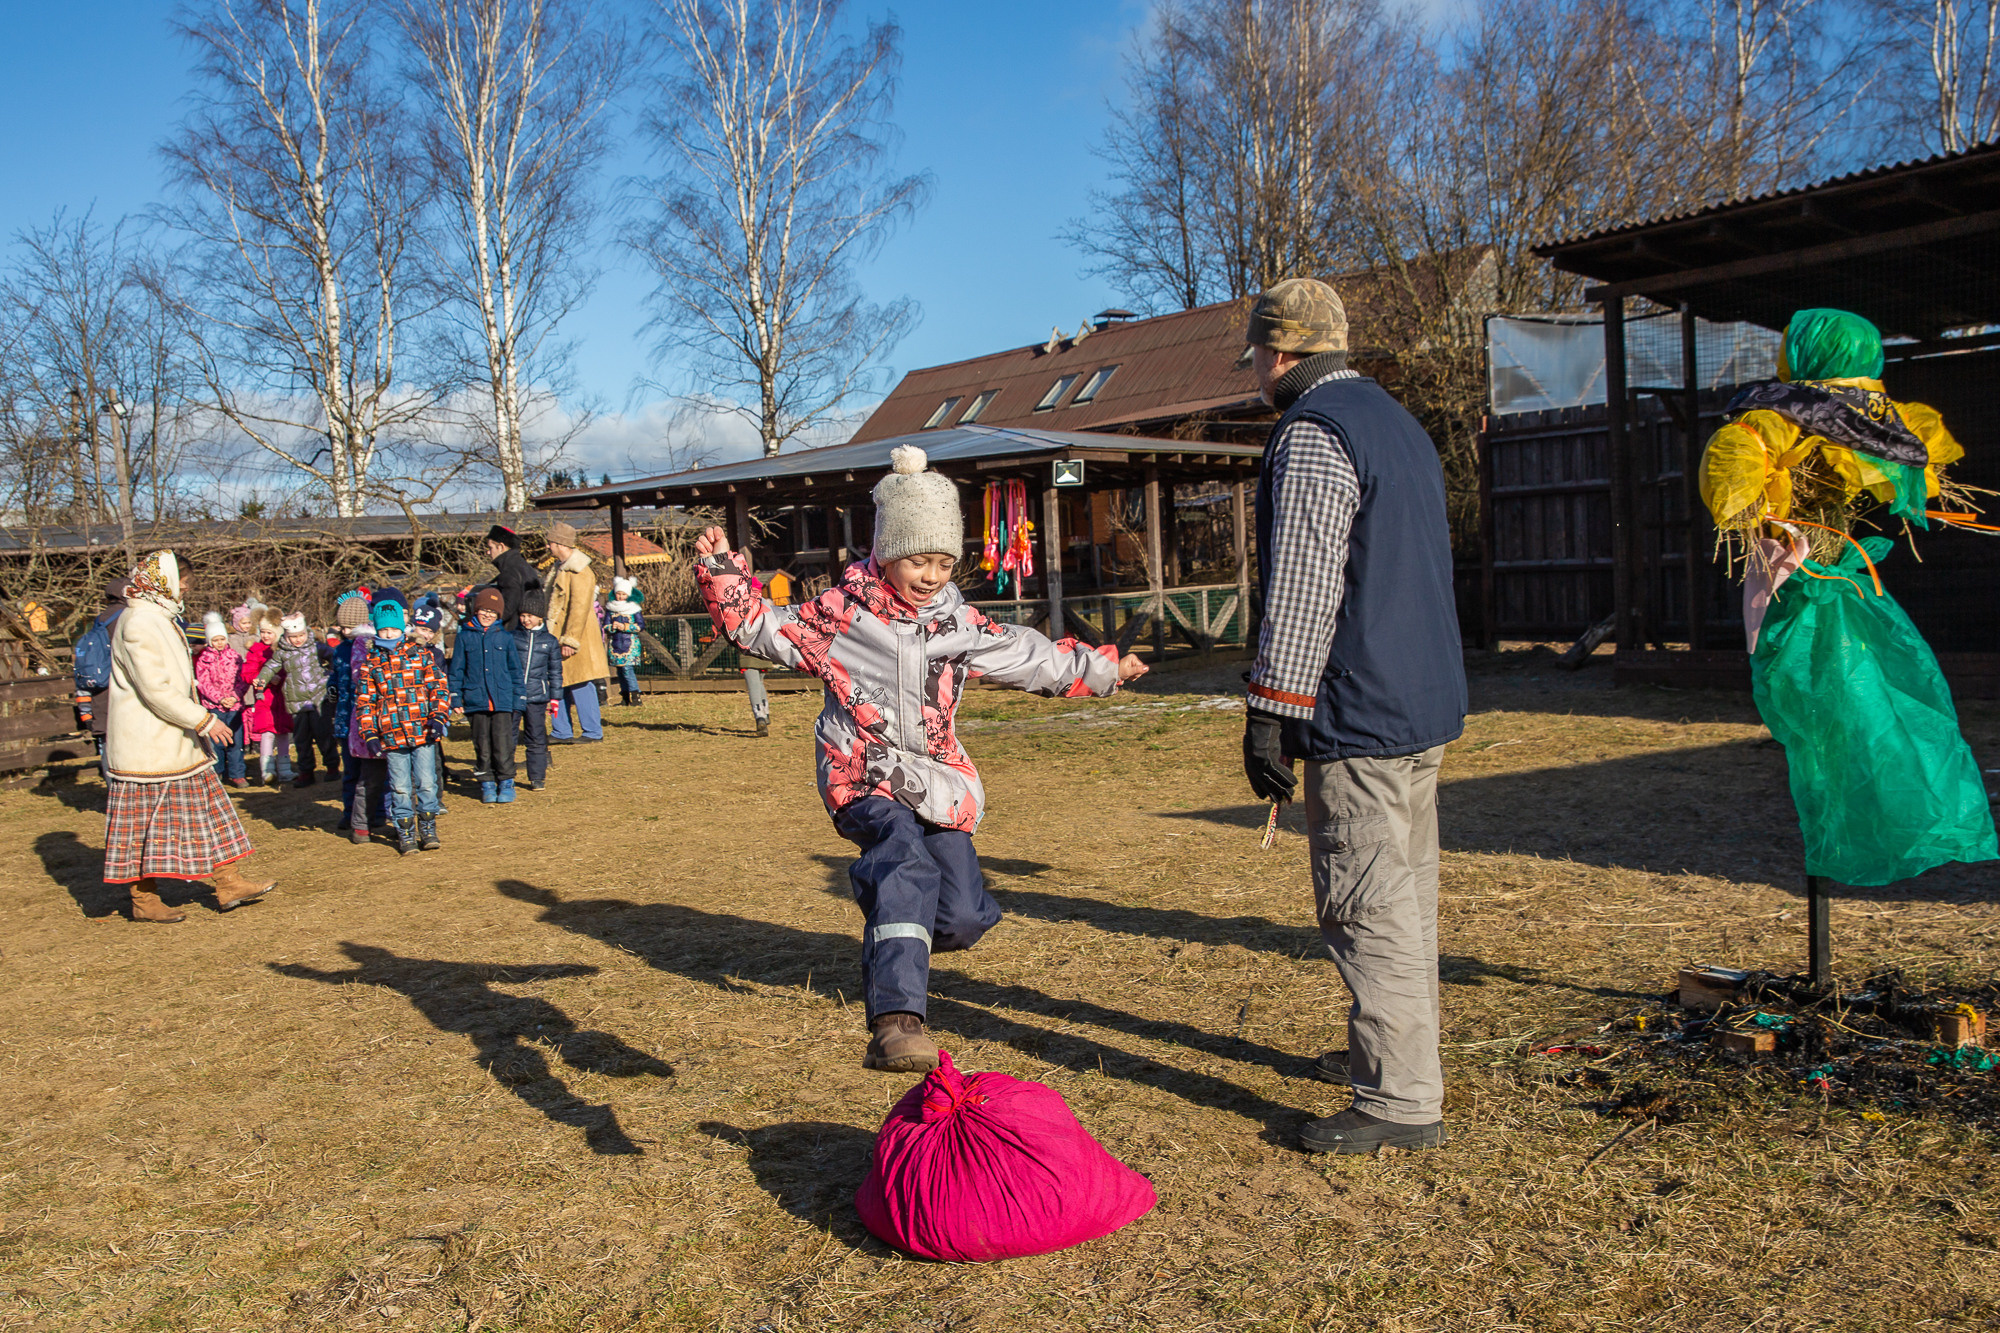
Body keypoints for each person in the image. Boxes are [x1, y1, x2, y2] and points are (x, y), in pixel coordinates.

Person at [696, 445, 1149, 1072]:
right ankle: (897, 1020)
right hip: (863, 771)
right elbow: (762, 628)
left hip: (935, 780)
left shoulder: (957, 622)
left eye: (943, 561)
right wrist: (724, 577)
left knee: (963, 916)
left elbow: (1027, 654)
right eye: (918, 559)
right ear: (886, 553)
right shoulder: (841, 615)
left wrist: (1100, 668)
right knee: (901, 866)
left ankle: (898, 920)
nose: (931, 574)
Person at [1238, 277, 1467, 1156]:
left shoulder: (1311, 434)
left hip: (1360, 706)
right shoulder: (1398, 424)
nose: (1257, 370)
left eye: (1258, 354)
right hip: (1423, 699)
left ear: (1281, 352)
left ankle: (1402, 1099)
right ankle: (1396, 1053)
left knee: (1366, 901)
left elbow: (1305, 586)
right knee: (1406, 894)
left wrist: (1269, 712)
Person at [102, 550, 274, 923]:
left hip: (176, 742)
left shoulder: (159, 618)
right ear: (162, 579)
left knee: (212, 811)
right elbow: (155, 689)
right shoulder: (138, 623)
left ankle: (229, 882)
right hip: (148, 748)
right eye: (182, 581)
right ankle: (144, 900)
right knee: (143, 827)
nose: (184, 588)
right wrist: (204, 720)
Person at [354, 596, 451, 853]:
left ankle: (428, 827)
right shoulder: (371, 663)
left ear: (402, 628)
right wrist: (370, 734)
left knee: (427, 782)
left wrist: (438, 717)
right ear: (377, 630)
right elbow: (365, 701)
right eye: (383, 629)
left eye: (393, 629)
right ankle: (405, 831)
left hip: (424, 731)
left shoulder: (420, 655)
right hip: (391, 734)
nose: (388, 633)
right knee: (399, 786)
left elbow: (438, 688)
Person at [449, 586, 526, 804]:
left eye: (493, 612)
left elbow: (515, 671)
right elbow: (456, 671)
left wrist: (519, 697)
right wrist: (455, 697)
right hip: (476, 701)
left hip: (502, 701)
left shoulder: (506, 638)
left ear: (499, 615)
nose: (488, 615)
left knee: (503, 745)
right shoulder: (465, 637)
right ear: (476, 611)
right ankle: (487, 783)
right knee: (482, 746)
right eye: (484, 611)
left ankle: (506, 782)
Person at [331, 590, 390, 844]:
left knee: (373, 773)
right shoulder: (342, 649)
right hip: (348, 719)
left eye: (350, 626)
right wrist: (332, 687)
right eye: (342, 627)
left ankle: (376, 815)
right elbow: (340, 676)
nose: (346, 631)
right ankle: (351, 815)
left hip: (365, 720)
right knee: (354, 772)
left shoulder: (366, 645)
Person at [544, 520, 609, 745]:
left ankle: (592, 731)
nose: (547, 548)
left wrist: (570, 639)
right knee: (556, 681)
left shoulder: (580, 571)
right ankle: (561, 730)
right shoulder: (561, 568)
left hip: (575, 637)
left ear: (559, 543)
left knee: (581, 682)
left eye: (550, 543)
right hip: (558, 635)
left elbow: (579, 608)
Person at [258, 612, 337, 787]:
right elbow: (270, 666)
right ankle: (306, 771)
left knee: (324, 735)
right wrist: (262, 678)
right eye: (293, 637)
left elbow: (334, 656)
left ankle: (332, 766)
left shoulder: (317, 648)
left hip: (318, 700)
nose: (298, 640)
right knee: (302, 740)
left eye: (301, 635)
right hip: (296, 703)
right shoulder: (282, 653)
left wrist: (331, 674)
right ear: (286, 636)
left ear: (306, 632)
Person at [72, 577, 129, 779]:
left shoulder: (100, 620)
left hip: (100, 692)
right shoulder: (128, 617)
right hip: (122, 690)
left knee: (107, 746)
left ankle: (112, 792)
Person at [514, 589, 562, 792]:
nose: (526, 620)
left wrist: (555, 699)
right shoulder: (512, 638)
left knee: (536, 737)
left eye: (530, 616)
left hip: (537, 696)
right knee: (508, 736)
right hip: (514, 695)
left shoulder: (549, 641)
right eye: (523, 615)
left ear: (539, 616)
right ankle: (506, 775)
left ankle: (537, 777)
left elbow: (555, 671)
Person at [239, 611, 295, 786]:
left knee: (283, 733)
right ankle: (267, 770)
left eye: (269, 632)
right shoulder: (256, 650)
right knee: (267, 734)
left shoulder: (285, 649)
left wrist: (283, 678)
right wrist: (265, 678)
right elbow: (248, 673)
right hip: (266, 699)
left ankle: (285, 770)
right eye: (262, 632)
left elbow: (292, 670)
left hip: (283, 697)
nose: (265, 636)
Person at [194, 611, 248, 788]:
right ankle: (217, 772)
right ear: (209, 641)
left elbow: (243, 680)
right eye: (215, 640)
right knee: (216, 742)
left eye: (222, 639)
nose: (219, 643)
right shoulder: (204, 660)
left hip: (234, 706)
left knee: (235, 741)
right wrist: (219, 699)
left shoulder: (235, 657)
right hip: (215, 706)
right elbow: (203, 683)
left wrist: (233, 697)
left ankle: (237, 773)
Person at [486, 523, 542, 629]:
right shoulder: (523, 566)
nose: (488, 552)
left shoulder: (509, 571)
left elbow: (507, 609)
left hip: (514, 631)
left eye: (490, 547)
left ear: (501, 547)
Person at [605, 576, 646, 708]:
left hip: (630, 644)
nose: (621, 597)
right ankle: (625, 696)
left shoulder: (634, 609)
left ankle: (635, 696)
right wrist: (613, 627)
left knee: (628, 670)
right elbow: (605, 626)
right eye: (618, 594)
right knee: (620, 671)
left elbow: (640, 625)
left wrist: (626, 627)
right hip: (615, 644)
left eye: (623, 594)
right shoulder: (610, 609)